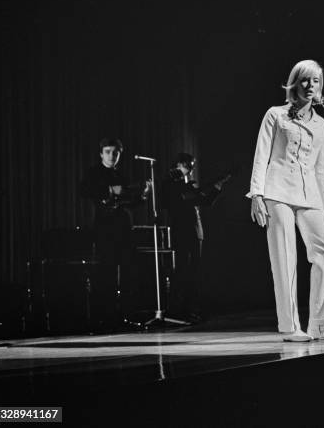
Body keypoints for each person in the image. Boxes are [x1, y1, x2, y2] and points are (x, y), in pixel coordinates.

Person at [247, 59, 324, 342]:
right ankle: (291, 327)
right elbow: (261, 156)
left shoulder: (322, 124)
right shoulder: (275, 115)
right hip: (277, 192)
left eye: (315, 81)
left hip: (311, 196)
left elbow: (321, 170)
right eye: (305, 80)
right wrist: (256, 194)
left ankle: (319, 323)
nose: (310, 86)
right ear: (294, 83)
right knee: (284, 258)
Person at [80, 137, 150, 313]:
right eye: (108, 152)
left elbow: (130, 204)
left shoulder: (122, 174)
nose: (112, 156)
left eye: (115, 153)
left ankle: (125, 311)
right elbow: (85, 190)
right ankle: (106, 313)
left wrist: (142, 195)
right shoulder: (93, 172)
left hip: (124, 227)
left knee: (128, 269)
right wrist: (111, 190)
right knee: (106, 270)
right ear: (101, 154)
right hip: (105, 228)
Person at [160, 153, 229, 321]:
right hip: (180, 231)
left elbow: (204, 201)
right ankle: (178, 309)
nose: (189, 170)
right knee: (182, 270)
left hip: (195, 231)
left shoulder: (189, 184)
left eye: (191, 166)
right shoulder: (170, 184)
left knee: (194, 272)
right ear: (177, 165)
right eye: (186, 165)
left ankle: (191, 309)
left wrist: (217, 187)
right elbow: (182, 199)